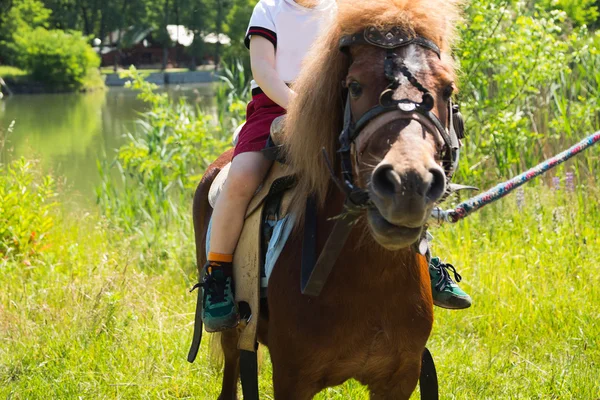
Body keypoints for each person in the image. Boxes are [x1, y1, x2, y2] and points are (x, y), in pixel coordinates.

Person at [200, 0, 471, 333]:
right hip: (276, 106)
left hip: (336, 109)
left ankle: (424, 257)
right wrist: (302, 106)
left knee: (391, 168)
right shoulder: (268, 9)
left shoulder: (341, 10)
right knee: (242, 177)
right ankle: (218, 275)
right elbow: (263, 71)